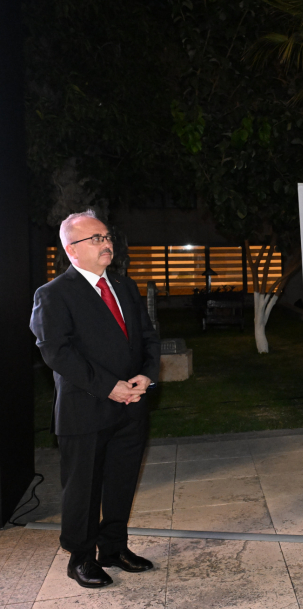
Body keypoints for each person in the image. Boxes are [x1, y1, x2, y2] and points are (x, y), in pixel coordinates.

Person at [30, 211, 160, 588]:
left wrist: (147, 374)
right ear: (72, 250)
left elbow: (148, 336)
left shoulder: (125, 285)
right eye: (96, 239)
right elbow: (57, 353)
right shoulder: (53, 295)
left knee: (121, 482)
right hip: (85, 409)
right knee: (83, 491)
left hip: (132, 406)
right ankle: (81, 559)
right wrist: (109, 387)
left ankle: (114, 548)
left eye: (106, 236)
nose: (107, 243)